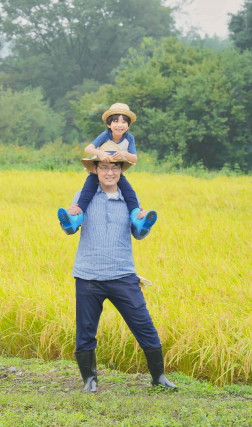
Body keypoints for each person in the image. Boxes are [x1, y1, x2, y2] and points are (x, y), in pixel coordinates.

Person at [68, 143, 176, 393]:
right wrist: (70, 217)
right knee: (86, 331)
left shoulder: (130, 198)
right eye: (104, 166)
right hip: (88, 276)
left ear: (120, 170)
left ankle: (159, 378)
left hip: (123, 275)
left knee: (144, 325)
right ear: (95, 169)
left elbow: (138, 235)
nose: (109, 172)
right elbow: (70, 229)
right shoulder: (82, 196)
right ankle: (90, 381)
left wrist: (145, 225)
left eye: (114, 167)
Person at [58, 103, 157, 237]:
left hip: (118, 166)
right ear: (109, 125)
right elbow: (88, 149)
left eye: (124, 122)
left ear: (128, 125)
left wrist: (124, 154)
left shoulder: (129, 138)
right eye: (115, 121)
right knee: (86, 193)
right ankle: (74, 220)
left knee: (129, 193)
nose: (119, 125)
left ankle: (139, 219)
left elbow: (134, 158)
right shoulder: (105, 135)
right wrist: (100, 154)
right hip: (97, 168)